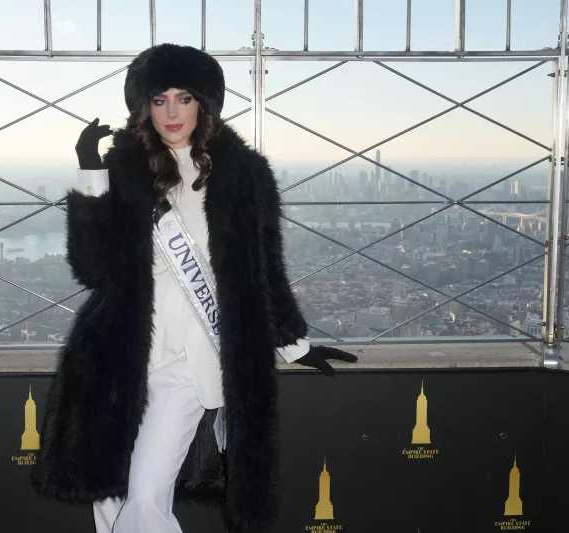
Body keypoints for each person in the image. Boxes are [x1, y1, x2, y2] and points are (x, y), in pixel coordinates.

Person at [33, 43, 357, 533]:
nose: (171, 112)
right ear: (144, 107)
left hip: (191, 361)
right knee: (110, 498)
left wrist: (294, 344)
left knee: (144, 497)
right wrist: (90, 174)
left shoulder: (243, 176)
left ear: (204, 103)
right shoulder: (126, 170)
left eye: (183, 98)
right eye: (159, 100)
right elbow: (93, 267)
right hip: (121, 355)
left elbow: (263, 269)